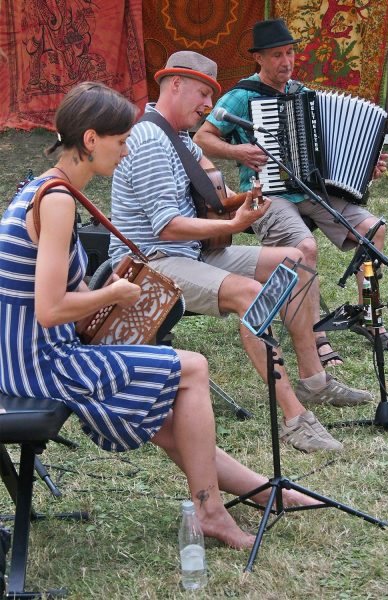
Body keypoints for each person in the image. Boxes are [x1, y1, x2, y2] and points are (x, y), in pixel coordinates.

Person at [0, 81, 317, 551]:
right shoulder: (59, 200)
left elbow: (52, 293)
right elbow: (49, 310)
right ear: (90, 140)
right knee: (192, 368)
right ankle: (210, 512)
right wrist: (119, 294)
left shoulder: (45, 190)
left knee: (171, 411)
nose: (126, 152)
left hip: (24, 355)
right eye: (121, 141)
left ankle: (268, 492)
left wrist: (102, 293)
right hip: (38, 364)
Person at [110, 51, 373, 455]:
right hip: (151, 265)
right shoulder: (148, 140)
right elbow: (167, 225)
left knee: (297, 260)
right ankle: (295, 420)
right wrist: (233, 226)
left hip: (192, 253)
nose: (208, 106)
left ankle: (315, 381)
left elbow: (214, 196)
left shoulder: (177, 136)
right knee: (249, 293)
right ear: (175, 83)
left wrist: (247, 201)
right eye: (203, 93)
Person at [194, 18, 388, 358]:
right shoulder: (241, 96)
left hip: (312, 189)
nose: (286, 62)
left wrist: (364, 168)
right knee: (304, 247)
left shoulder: (303, 94)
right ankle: (314, 334)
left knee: (373, 230)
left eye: (289, 53)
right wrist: (237, 151)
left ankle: (369, 314)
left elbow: (332, 151)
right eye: (276, 55)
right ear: (258, 58)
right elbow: (202, 136)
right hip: (267, 193)